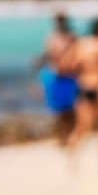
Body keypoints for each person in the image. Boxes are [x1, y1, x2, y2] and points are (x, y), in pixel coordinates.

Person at [64, 17, 98, 172]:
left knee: (82, 127)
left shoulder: (80, 45)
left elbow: (67, 66)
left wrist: (82, 72)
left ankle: (72, 160)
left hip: (84, 86)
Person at [35, 13, 78, 145]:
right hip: (56, 76)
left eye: (62, 21)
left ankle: (71, 135)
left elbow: (78, 55)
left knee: (72, 109)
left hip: (70, 76)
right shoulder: (52, 39)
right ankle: (62, 137)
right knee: (59, 111)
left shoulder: (72, 37)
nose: (60, 23)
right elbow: (46, 56)